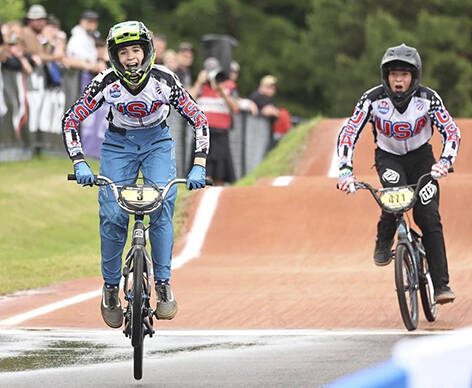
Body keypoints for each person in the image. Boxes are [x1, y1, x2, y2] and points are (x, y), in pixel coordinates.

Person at [62, 21, 209, 328]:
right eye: (124, 52)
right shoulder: (105, 82)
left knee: (162, 206)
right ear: (115, 56)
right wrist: (79, 162)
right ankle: (111, 287)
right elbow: (70, 120)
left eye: (136, 50)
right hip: (118, 145)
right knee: (113, 214)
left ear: (148, 51)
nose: (131, 58)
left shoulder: (165, 79)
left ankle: (163, 283)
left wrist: (198, 164)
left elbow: (199, 119)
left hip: (157, 142)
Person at [336, 43, 460, 304]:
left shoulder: (428, 99)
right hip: (388, 157)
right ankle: (384, 240)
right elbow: (349, 132)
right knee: (395, 199)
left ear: (414, 77)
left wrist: (445, 161)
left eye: (404, 75)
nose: (399, 80)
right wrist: (345, 170)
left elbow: (451, 131)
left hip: (422, 159)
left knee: (428, 216)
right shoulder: (371, 99)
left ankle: (441, 285)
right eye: (393, 75)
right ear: (386, 77)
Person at [194, 57, 239, 185]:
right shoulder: (201, 86)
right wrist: (198, 82)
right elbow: (187, 99)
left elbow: (235, 108)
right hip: (203, 133)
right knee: (203, 169)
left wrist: (221, 92)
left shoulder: (228, 85)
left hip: (221, 133)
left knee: (220, 172)